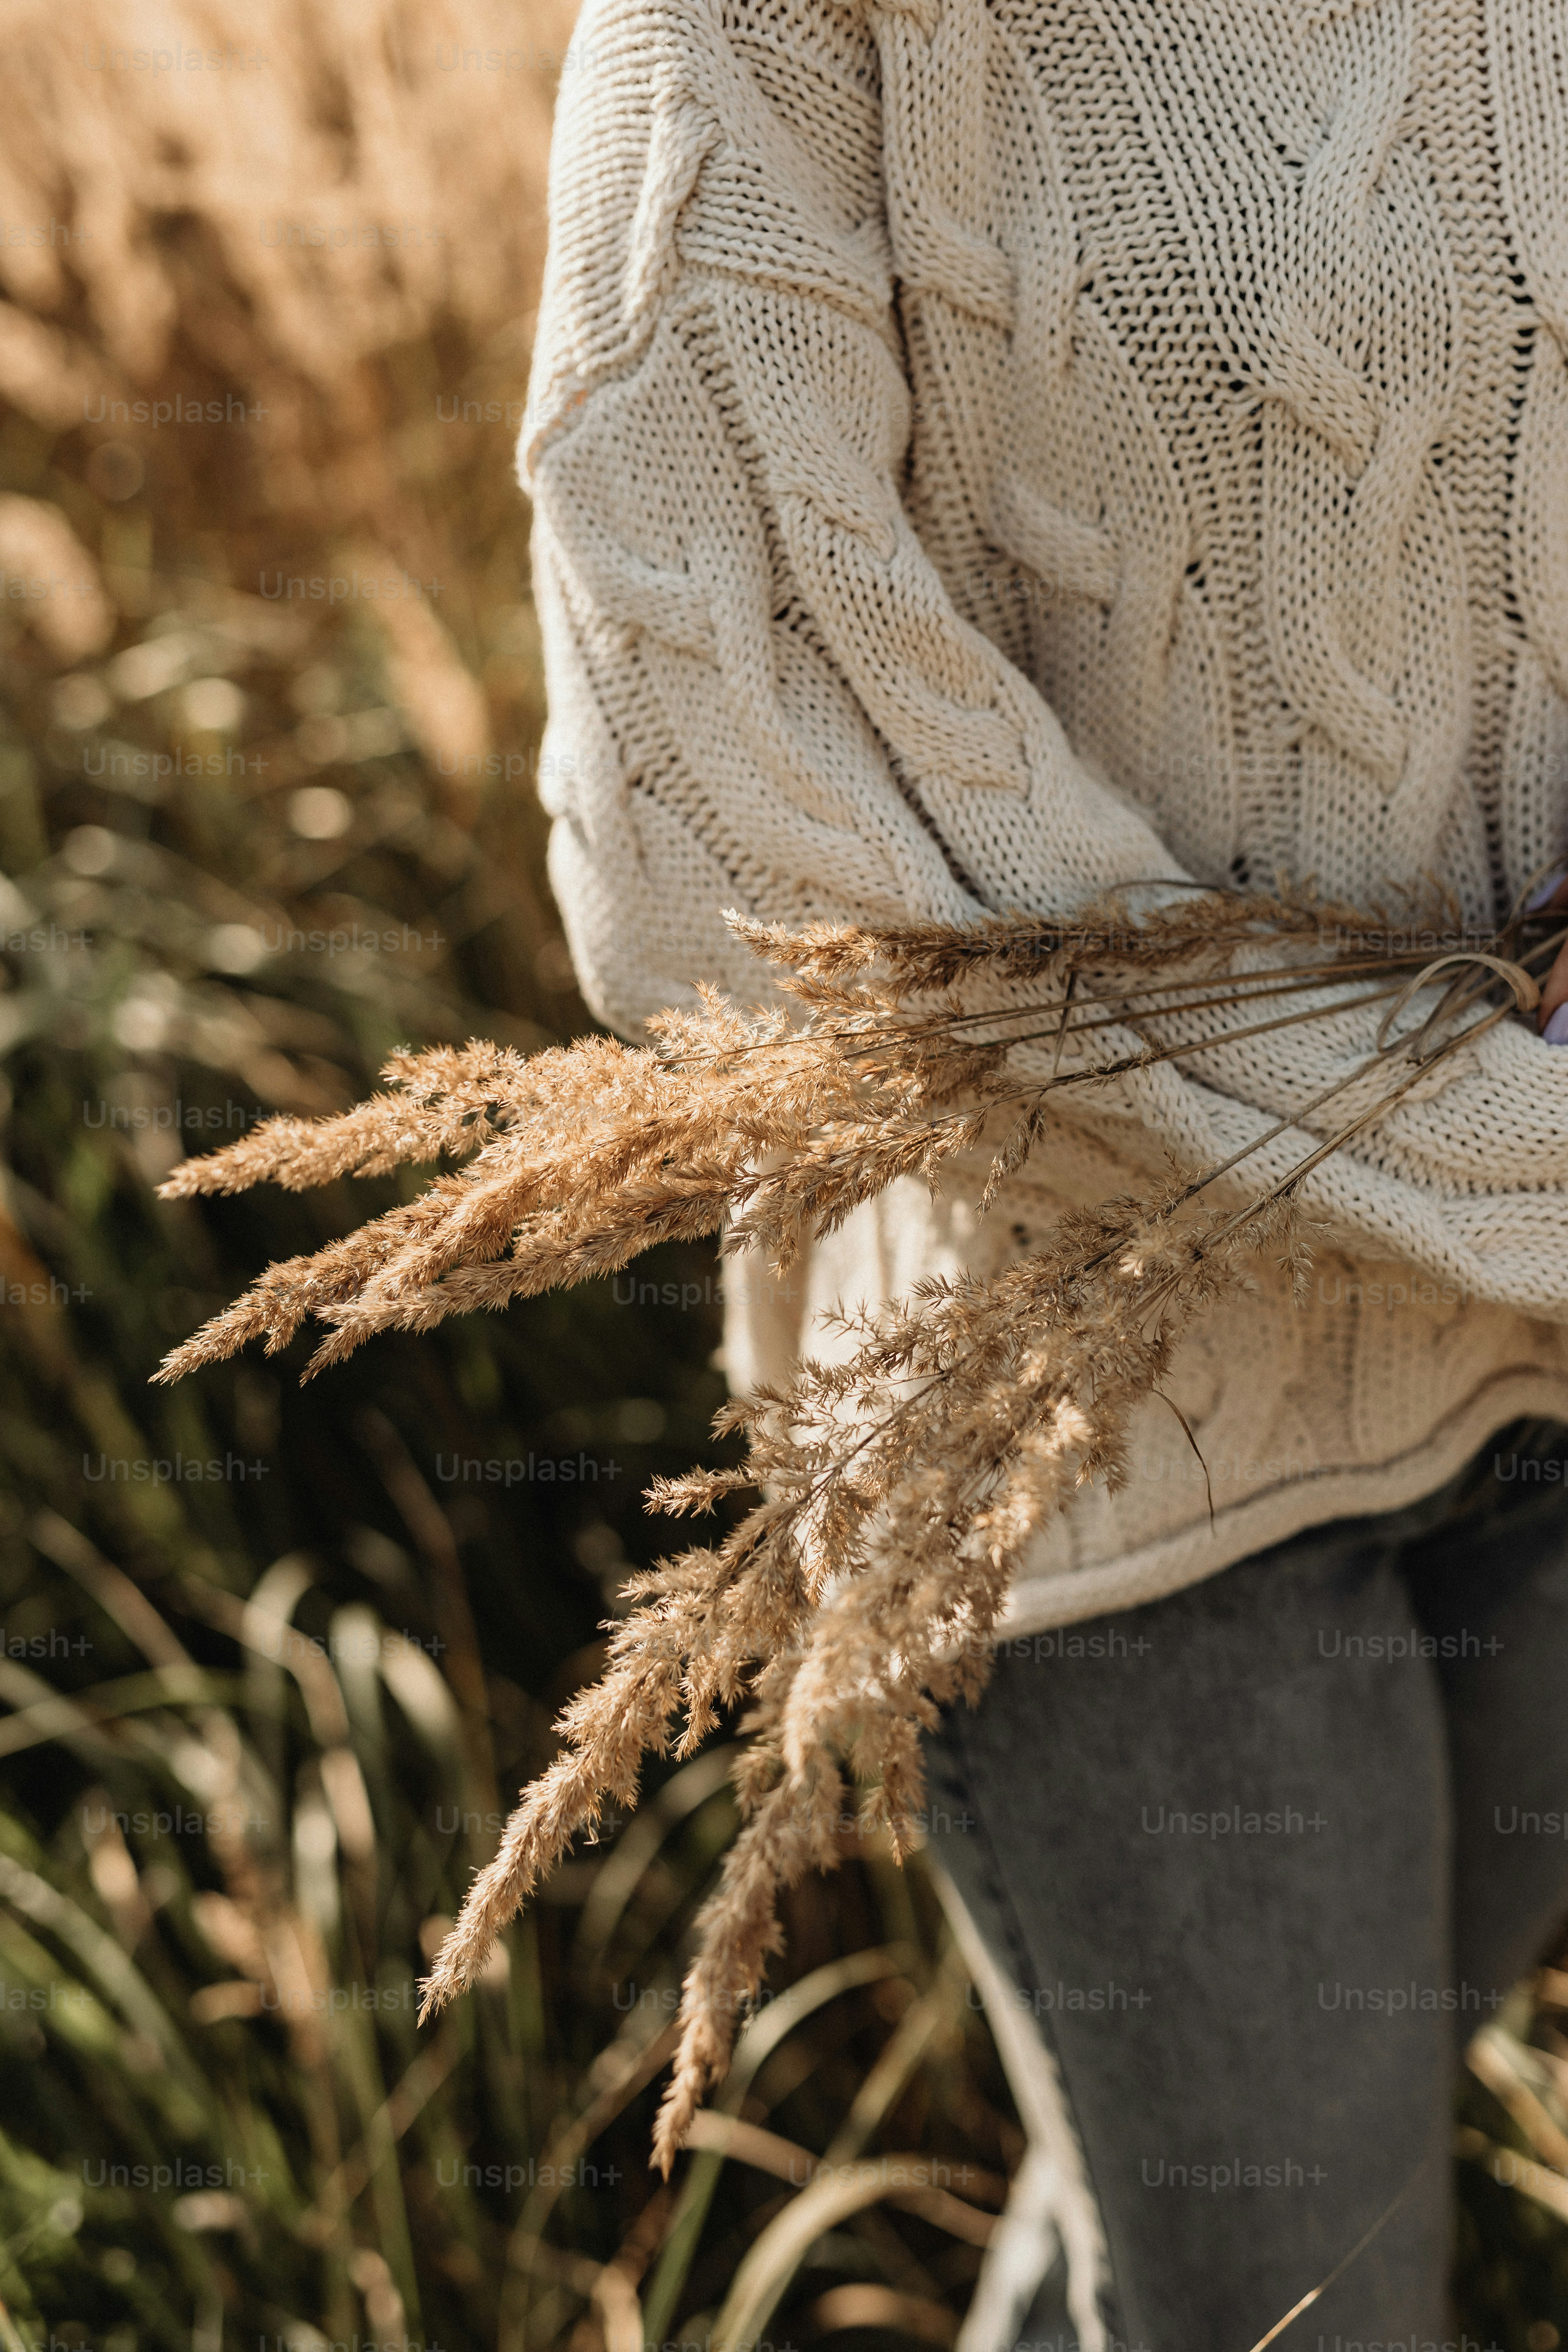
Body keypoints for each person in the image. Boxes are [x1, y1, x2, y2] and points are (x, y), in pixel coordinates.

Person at [521, 1, 1568, 2340]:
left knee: (1241, 2216)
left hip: (1543, 1350)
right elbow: (715, 814)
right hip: (1090, 1409)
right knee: (1307, 2300)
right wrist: (1499, 1140)